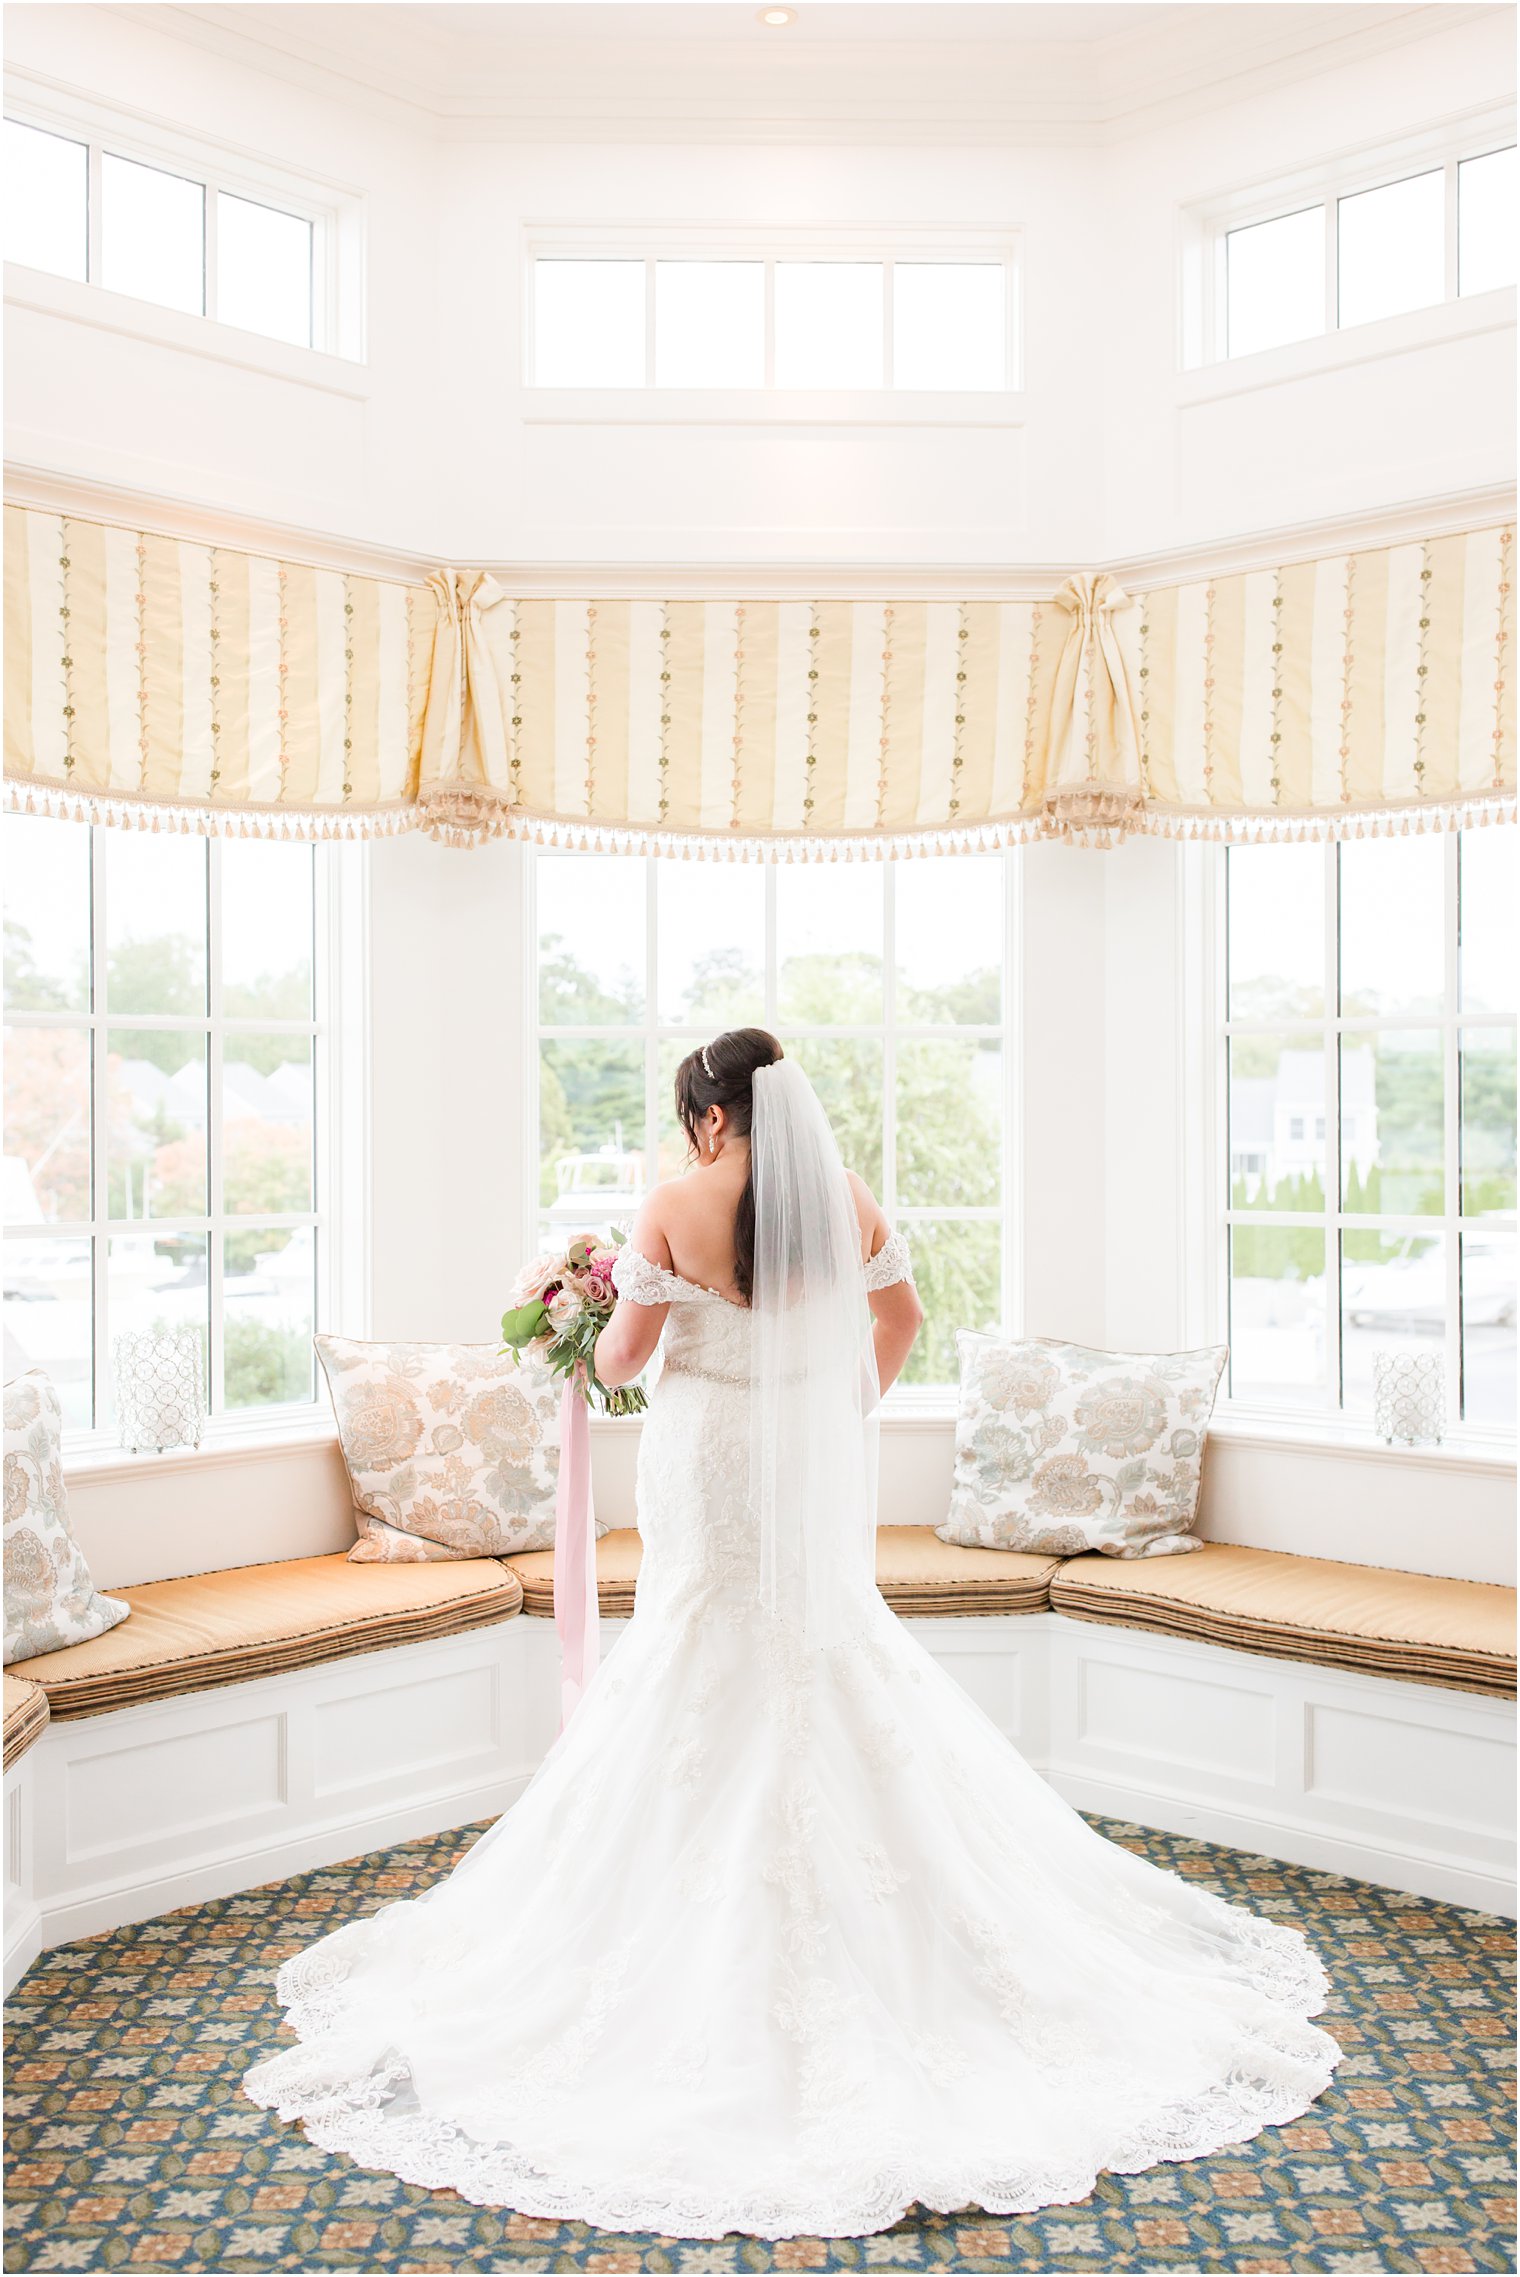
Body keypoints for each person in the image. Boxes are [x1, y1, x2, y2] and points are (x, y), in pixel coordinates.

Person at [243, 1027, 1341, 2239]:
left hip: (707, 1452)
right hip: (802, 1450)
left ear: (710, 1116)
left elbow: (624, 1358)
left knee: (698, 1643)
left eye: (687, 1117)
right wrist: (831, 1409)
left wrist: (583, 1312)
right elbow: (903, 1318)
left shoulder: (674, 1202)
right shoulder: (845, 1197)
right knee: (816, 1641)